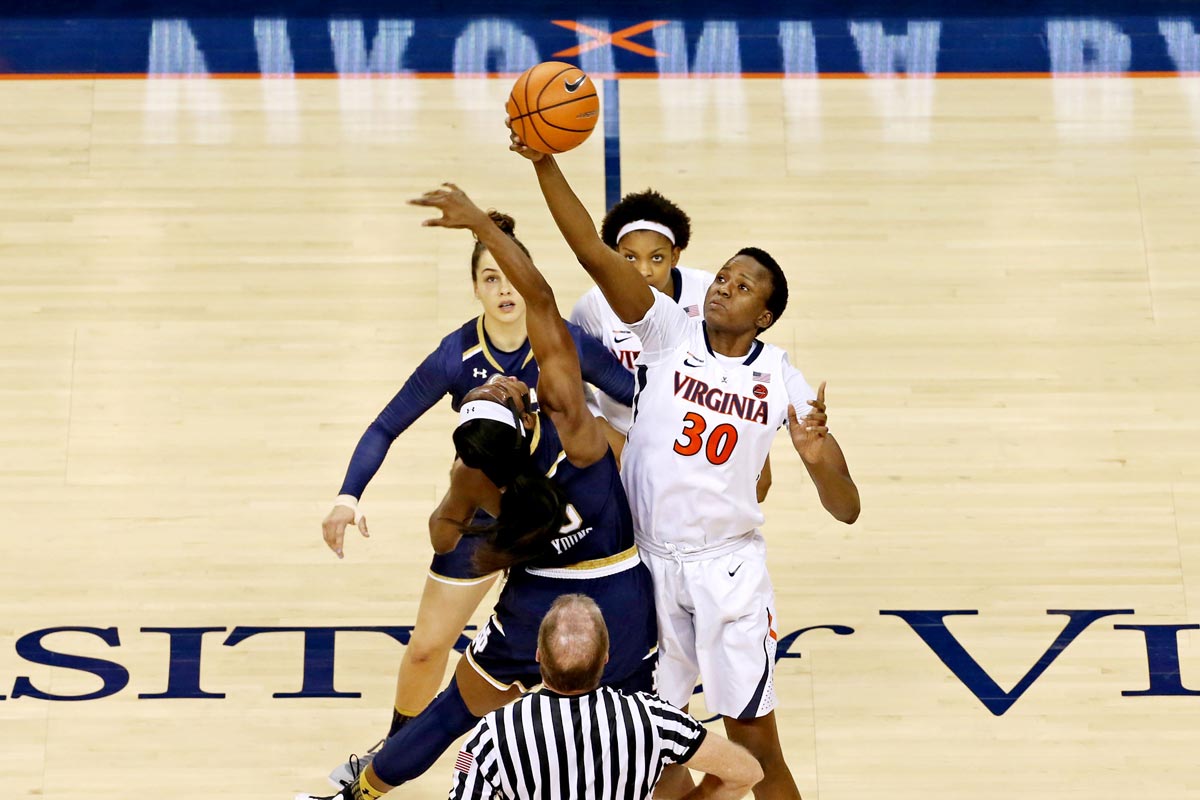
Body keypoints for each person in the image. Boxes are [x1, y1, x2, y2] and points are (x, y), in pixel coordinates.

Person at [511, 136, 861, 800]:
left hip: (726, 571)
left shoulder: (779, 374)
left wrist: (818, 461)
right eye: (723, 276)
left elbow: (846, 507)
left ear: (763, 313)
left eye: (743, 284)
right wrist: (542, 162)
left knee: (755, 743)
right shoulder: (667, 331)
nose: (725, 286)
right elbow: (590, 247)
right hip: (646, 567)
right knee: (644, 752)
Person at [296, 182, 657, 800]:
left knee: (452, 710)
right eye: (489, 276)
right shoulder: (572, 423)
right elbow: (544, 298)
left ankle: (362, 790)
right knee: (634, 727)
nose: (500, 384)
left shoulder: (475, 483)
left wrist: (454, 502)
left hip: (519, 555)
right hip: (606, 572)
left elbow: (442, 531)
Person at [449, 594, 763, 800]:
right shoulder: (654, 719)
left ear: (539, 656)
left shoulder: (493, 734)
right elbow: (745, 773)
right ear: (606, 658)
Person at [570, 189, 773, 498]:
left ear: (675, 255)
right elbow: (570, 377)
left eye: (657, 257)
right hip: (622, 438)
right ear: (613, 255)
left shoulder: (708, 292)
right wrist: (598, 424)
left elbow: (741, 361)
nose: (643, 270)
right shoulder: (593, 307)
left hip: (695, 437)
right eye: (629, 257)